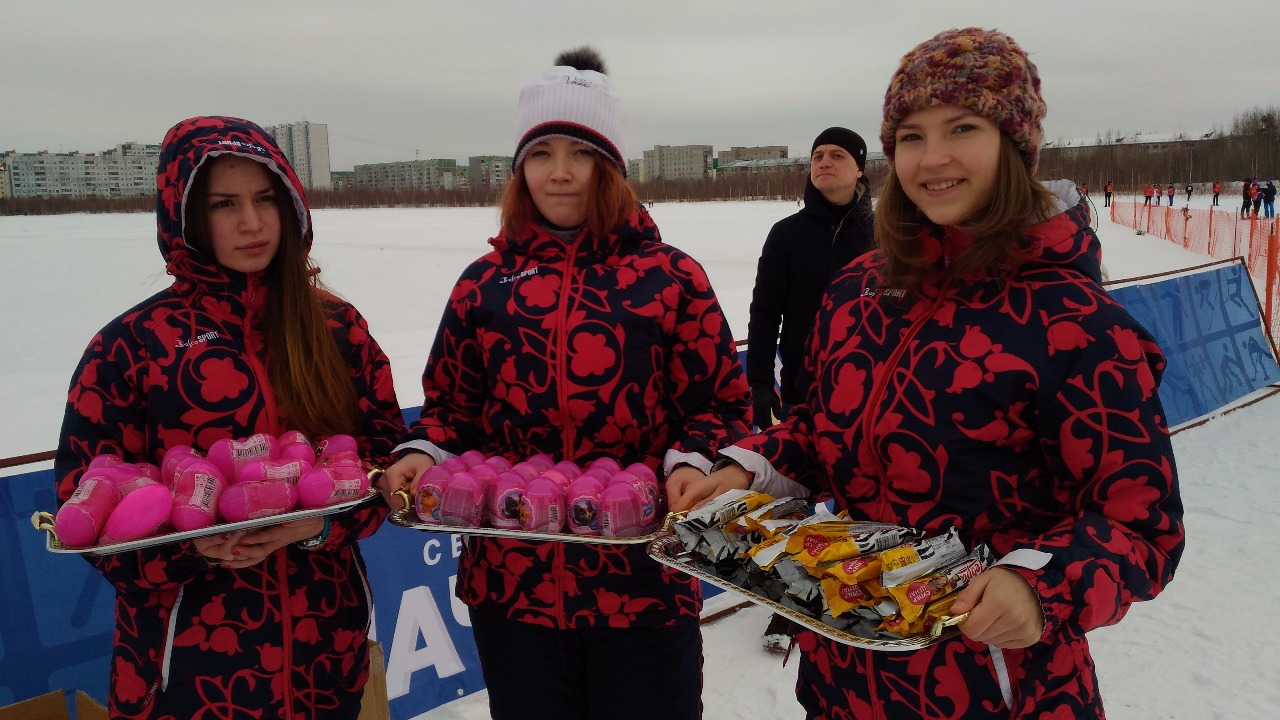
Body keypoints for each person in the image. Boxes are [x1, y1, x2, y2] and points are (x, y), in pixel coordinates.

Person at [669, 28, 1184, 719]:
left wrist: (1039, 588)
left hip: (997, 688)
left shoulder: (1078, 323)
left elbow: (1141, 524)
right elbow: (820, 432)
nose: (932, 158)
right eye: (911, 136)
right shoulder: (858, 292)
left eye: (962, 128)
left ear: (1014, 144)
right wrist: (746, 470)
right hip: (844, 678)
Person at [375, 47, 750, 720]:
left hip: (643, 578)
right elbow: (450, 408)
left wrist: (692, 461)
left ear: (610, 166)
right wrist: (422, 452)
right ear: (520, 167)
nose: (560, 172)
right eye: (541, 153)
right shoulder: (484, 284)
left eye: (581, 152)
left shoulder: (671, 278)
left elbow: (721, 405)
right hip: (512, 583)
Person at [53, 116, 406, 719]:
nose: (252, 222)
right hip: (188, 665)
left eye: (266, 199)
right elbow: (83, 502)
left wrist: (321, 525)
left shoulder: (336, 328)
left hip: (326, 650)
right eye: (224, 204)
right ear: (184, 216)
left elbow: (386, 461)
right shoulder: (131, 346)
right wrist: (191, 547)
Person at [745, 126, 874, 652]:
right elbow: (764, 311)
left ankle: (862, 589)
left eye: (837, 155)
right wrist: (759, 380)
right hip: (805, 389)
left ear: (860, 168)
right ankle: (792, 601)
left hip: (874, 392)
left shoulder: (889, 232)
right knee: (803, 497)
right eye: (818, 155)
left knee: (860, 493)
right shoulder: (787, 233)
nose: (824, 162)